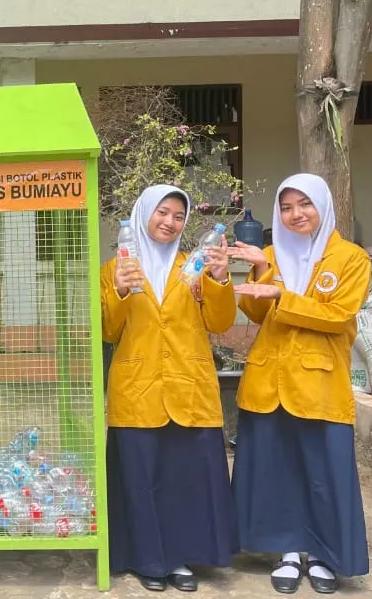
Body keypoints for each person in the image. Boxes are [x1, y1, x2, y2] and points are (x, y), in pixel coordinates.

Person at [227, 174, 370, 595]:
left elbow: (338, 314)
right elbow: (255, 313)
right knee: (278, 470)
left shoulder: (350, 258)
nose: (295, 215)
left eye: (304, 204)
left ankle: (324, 554)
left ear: (323, 206)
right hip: (269, 380)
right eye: (286, 207)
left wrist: (281, 295)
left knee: (324, 472)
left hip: (320, 382)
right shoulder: (270, 253)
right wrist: (260, 270)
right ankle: (288, 549)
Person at [101, 184, 238, 593]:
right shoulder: (116, 267)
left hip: (188, 385)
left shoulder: (193, 265)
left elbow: (220, 323)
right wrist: (122, 290)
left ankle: (181, 556)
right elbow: (108, 329)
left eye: (178, 216)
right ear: (144, 213)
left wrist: (219, 277)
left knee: (185, 477)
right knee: (142, 478)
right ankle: (148, 559)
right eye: (162, 212)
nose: (169, 222)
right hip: (137, 386)